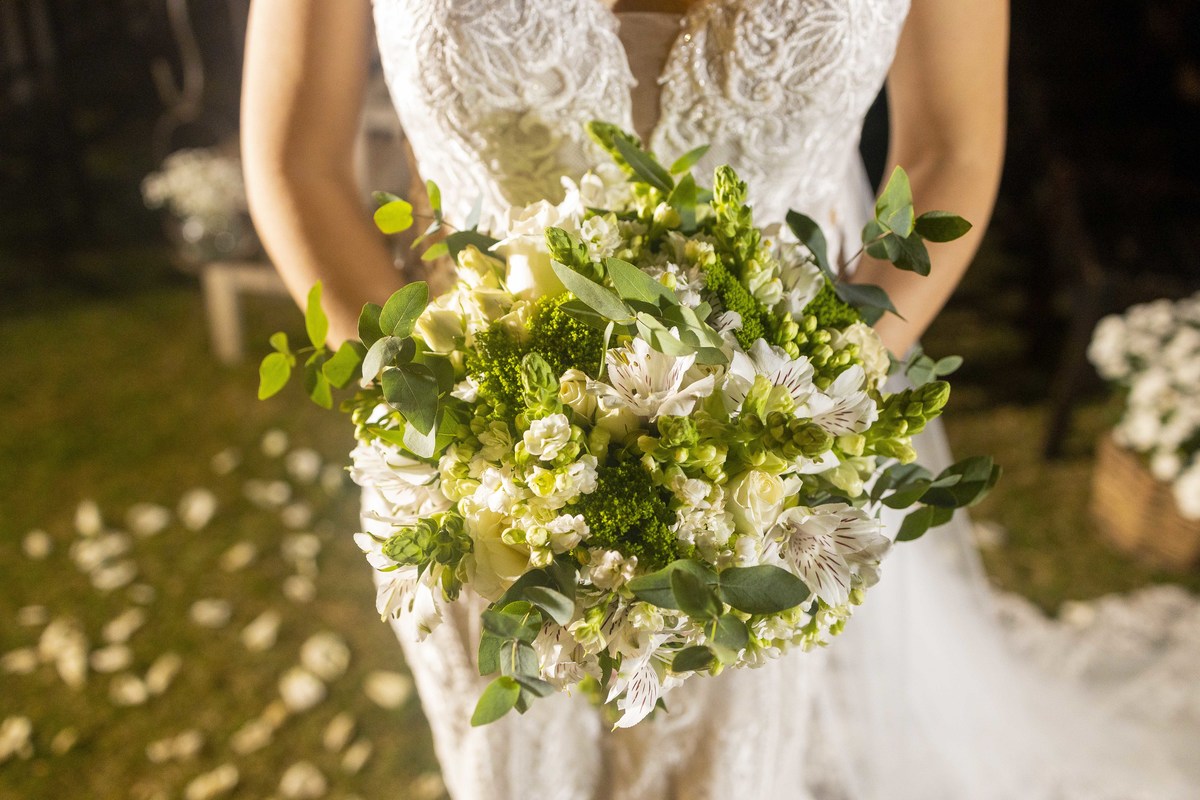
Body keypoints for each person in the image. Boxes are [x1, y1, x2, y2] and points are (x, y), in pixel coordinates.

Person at [240, 2, 1194, 798]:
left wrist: (810, 405)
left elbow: (953, 147)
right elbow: (297, 162)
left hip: (765, 478)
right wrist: (447, 413)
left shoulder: (783, 449)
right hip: (476, 467)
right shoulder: (466, 448)